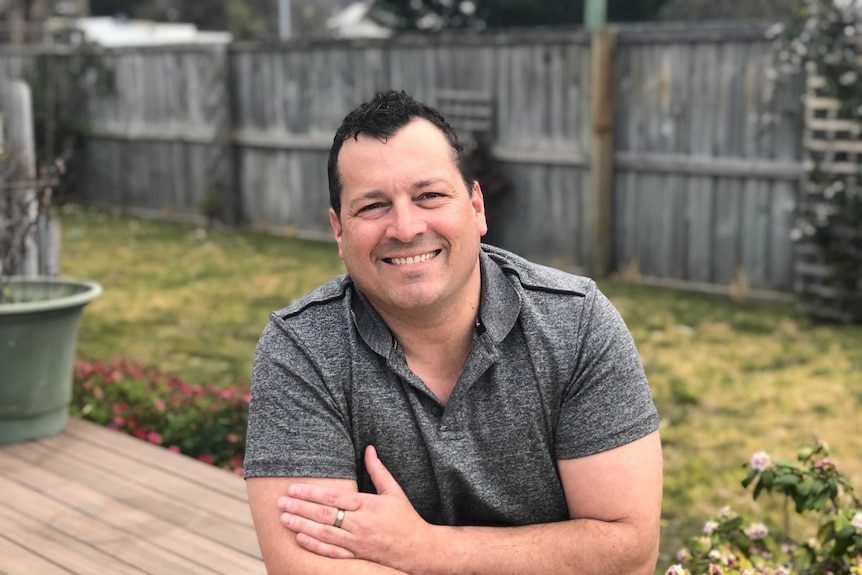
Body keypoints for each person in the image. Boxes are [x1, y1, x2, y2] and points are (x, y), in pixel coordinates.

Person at [244, 90, 663, 575]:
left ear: (477, 206)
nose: (404, 227)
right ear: (339, 231)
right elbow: (305, 567)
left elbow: (627, 549)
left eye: (430, 196)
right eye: (373, 206)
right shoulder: (301, 349)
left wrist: (426, 549)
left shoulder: (576, 323)